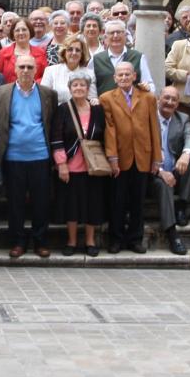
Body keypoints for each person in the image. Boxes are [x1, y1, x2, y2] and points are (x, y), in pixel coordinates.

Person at [0, 56, 57, 258]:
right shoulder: (3, 92)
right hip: (13, 156)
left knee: (41, 203)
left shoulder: (48, 94)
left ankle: (40, 242)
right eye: (22, 66)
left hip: (40, 155)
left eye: (30, 67)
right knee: (15, 203)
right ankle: (18, 242)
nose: (26, 70)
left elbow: (51, 124)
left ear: (37, 69)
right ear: (14, 68)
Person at [101, 61, 160, 253]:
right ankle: (116, 239)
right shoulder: (107, 98)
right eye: (121, 75)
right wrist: (112, 158)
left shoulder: (148, 97)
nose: (124, 78)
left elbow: (154, 128)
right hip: (120, 156)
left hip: (143, 155)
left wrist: (156, 158)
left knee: (138, 201)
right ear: (114, 78)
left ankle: (135, 239)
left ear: (135, 76)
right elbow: (109, 130)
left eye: (128, 74)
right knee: (117, 201)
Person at [50, 69, 106, 256]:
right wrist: (61, 164)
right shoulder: (63, 109)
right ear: (70, 88)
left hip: (94, 166)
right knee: (71, 205)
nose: (79, 88)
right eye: (75, 85)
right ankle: (72, 241)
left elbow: (105, 135)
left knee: (93, 204)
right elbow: (56, 138)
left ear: (88, 88)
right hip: (71, 166)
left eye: (83, 85)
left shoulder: (98, 109)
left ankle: (90, 241)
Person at [154, 85, 190, 254]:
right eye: (166, 98)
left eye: (174, 99)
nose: (170, 102)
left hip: (175, 170)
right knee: (163, 185)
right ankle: (172, 233)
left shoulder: (182, 118)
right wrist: (160, 172)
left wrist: (185, 155)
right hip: (153, 173)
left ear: (178, 103)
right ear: (159, 98)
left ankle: (182, 203)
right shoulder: (148, 118)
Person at [94, 20, 152, 95]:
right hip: (105, 105)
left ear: (125, 35)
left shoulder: (138, 57)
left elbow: (148, 84)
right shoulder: (96, 59)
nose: (115, 36)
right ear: (106, 37)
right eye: (112, 33)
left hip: (132, 104)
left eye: (118, 32)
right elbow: (92, 85)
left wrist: (147, 87)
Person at [0, 18, 49, 84]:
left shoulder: (41, 53)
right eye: (17, 30)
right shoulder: (2, 54)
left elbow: (46, 76)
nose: (21, 33)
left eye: (24, 30)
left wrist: (32, 85)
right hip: (9, 92)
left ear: (30, 32)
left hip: (34, 91)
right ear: (13, 33)